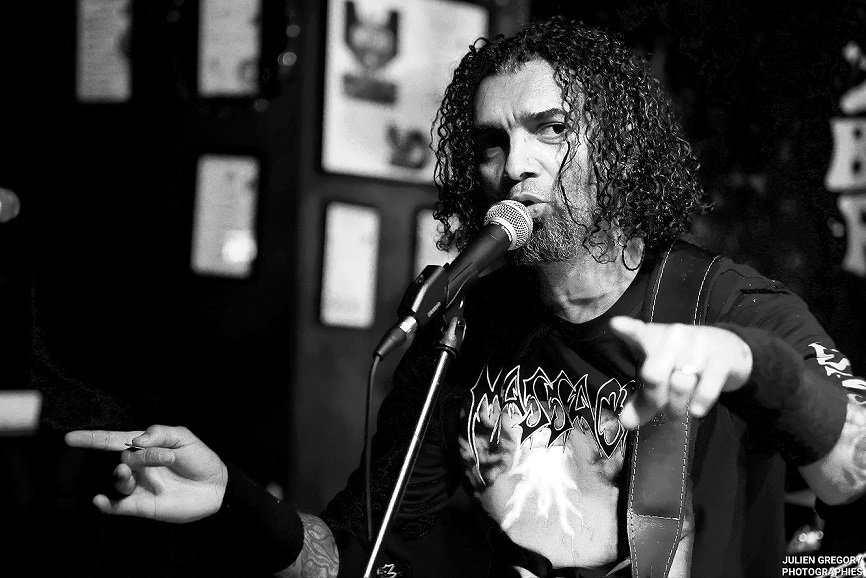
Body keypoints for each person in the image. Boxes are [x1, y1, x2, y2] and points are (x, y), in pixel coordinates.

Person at [65, 16, 866, 578]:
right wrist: (234, 504)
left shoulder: (729, 308)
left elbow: (856, 475)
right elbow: (351, 554)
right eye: (492, 142)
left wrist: (754, 366)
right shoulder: (467, 327)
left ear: (621, 149)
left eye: (551, 128)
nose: (515, 163)